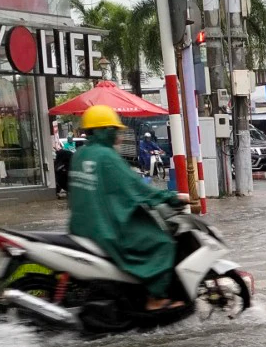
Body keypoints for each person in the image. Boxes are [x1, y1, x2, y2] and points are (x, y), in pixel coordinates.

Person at [68, 105, 186, 312]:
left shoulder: (80, 154)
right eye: (116, 131)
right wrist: (171, 198)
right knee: (162, 242)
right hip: (105, 228)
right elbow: (137, 188)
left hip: (80, 226)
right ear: (105, 131)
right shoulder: (107, 157)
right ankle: (156, 299)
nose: (120, 136)